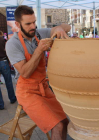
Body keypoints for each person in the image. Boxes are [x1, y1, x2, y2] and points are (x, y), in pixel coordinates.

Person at [6, 5, 71, 140]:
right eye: (28, 23)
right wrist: (39, 50)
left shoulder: (39, 34)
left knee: (65, 121)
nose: (33, 26)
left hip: (44, 87)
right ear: (18, 24)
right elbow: (24, 73)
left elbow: (67, 26)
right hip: (27, 92)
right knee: (58, 125)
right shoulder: (12, 44)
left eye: (34, 22)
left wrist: (59, 28)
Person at [0, 30, 17, 110]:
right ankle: (12, 98)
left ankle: (1, 104)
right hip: (4, 62)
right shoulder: (3, 40)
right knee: (8, 81)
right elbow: (7, 50)